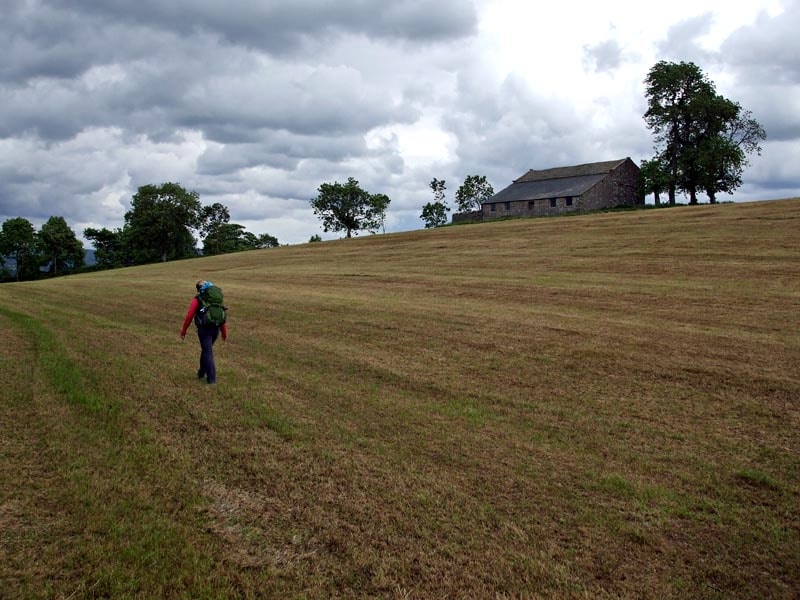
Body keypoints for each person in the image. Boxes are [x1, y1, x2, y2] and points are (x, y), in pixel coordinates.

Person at [180, 279, 228, 384]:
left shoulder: (198, 299)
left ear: (198, 289)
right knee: (206, 350)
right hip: (216, 330)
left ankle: (212, 379)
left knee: (207, 352)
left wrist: (184, 330)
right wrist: (224, 332)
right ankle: (201, 373)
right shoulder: (215, 299)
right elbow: (220, 314)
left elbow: (190, 315)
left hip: (204, 330)